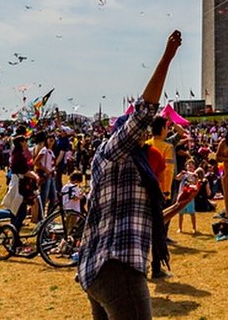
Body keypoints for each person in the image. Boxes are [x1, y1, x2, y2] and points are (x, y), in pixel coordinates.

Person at [78, 30, 182, 319]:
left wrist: (184, 201)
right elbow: (143, 112)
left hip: (99, 270)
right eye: (140, 132)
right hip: (117, 267)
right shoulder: (114, 150)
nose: (145, 135)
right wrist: (167, 59)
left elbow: (143, 219)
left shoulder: (127, 166)